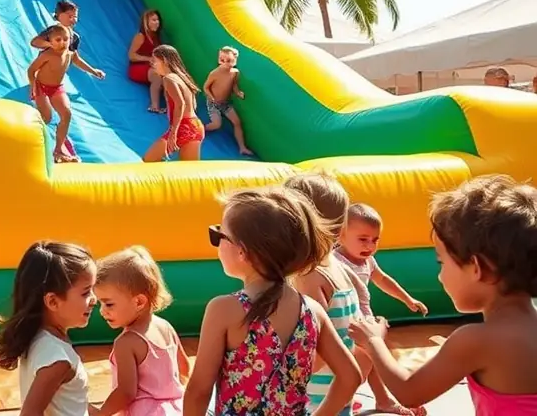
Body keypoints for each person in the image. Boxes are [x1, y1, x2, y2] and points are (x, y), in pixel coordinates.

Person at [350, 175, 537, 415]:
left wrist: (373, 341)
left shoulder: (475, 340)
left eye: (442, 262)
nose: (439, 276)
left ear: (477, 268)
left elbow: (409, 392)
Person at [182, 186, 361, 416]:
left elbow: (198, 390)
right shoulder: (312, 311)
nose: (216, 241)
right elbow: (350, 376)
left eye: (219, 235)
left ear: (242, 251)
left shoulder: (224, 310)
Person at [283, 172, 364, 416]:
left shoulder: (307, 276)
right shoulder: (340, 270)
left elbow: (314, 354)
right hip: (336, 397)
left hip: (313, 403)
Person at [335, 203, 428, 415]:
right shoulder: (335, 261)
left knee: (372, 360)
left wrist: (407, 299)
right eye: (363, 239)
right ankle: (345, 399)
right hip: (347, 321)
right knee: (357, 366)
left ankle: (381, 399)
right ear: (341, 235)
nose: (370, 245)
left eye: (375, 240)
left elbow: (383, 280)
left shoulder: (367, 261)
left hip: (364, 322)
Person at [0, 241, 97, 416]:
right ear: (53, 301)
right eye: (86, 292)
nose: (94, 299)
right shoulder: (57, 361)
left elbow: (71, 404)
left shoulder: (39, 338)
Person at [93, 246, 189, 416]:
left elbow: (126, 392)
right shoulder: (165, 326)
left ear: (138, 302)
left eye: (109, 304)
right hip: (177, 408)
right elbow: (184, 367)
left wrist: (100, 413)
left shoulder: (126, 342)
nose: (102, 311)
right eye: (100, 303)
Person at [27, 24, 106, 163]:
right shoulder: (48, 54)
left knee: (66, 114)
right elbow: (31, 70)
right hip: (41, 87)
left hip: (56, 88)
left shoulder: (70, 53)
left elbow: (79, 62)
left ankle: (58, 150)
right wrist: (33, 86)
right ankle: (28, 138)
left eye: (66, 39)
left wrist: (94, 71)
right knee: (46, 117)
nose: (63, 42)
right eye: (58, 40)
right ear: (50, 42)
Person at [142, 45, 203, 163]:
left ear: (164, 61)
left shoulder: (168, 79)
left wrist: (173, 132)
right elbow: (191, 104)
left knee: (148, 161)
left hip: (184, 127)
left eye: (155, 60)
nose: (152, 64)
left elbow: (180, 104)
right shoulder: (181, 78)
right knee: (190, 172)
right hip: (196, 126)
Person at [204, 46, 253, 156]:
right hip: (213, 103)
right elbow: (206, 87)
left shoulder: (235, 72)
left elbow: (233, 85)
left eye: (229, 60)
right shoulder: (215, 73)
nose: (225, 63)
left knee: (237, 122)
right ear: (218, 60)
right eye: (222, 60)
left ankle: (242, 147)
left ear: (235, 61)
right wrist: (211, 97)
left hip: (225, 103)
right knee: (216, 124)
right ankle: (200, 129)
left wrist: (238, 92)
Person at [127, 10, 165, 113]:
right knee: (156, 75)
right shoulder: (141, 36)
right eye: (153, 20)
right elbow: (131, 55)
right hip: (137, 68)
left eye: (158, 20)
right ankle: (154, 106)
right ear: (146, 22)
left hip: (150, 67)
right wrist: (148, 59)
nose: (157, 22)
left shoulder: (156, 38)